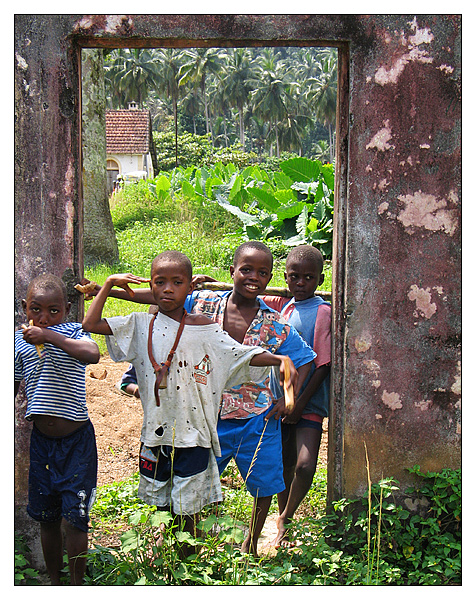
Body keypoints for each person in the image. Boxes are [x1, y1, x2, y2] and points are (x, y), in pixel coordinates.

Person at [81, 250, 298, 549]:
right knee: (162, 499)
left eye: (177, 283)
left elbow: (243, 355)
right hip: (157, 434)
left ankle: (188, 554)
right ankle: (170, 550)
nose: (168, 289)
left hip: (197, 433)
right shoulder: (141, 325)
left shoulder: (206, 329)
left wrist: (279, 360)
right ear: (151, 284)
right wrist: (107, 286)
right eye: (160, 282)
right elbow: (90, 325)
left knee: (191, 506)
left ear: (189, 287)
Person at [185, 241, 317, 556]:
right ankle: (190, 542)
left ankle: (251, 542)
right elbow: (164, 304)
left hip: (256, 422)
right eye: (246, 269)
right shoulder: (204, 304)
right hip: (206, 419)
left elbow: (304, 360)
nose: (253, 277)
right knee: (194, 483)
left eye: (262, 272)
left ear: (270, 278)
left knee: (264, 484)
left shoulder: (273, 324)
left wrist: (287, 399)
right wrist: (188, 287)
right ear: (232, 271)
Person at [14, 274, 100, 585]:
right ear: (25, 308)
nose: (44, 318)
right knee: (46, 518)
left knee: (76, 520)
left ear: (66, 309)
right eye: (36, 310)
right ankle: (54, 581)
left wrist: (48, 336)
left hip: (76, 443)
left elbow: (93, 354)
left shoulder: (75, 332)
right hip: (42, 444)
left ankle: (75, 585)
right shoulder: (17, 342)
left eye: (54, 311)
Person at [261, 245, 331, 548]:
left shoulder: (323, 311)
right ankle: (282, 522)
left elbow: (323, 364)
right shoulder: (284, 307)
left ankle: (286, 516)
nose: (300, 283)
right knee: (284, 462)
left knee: (304, 464)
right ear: (285, 278)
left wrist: (299, 403)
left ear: (320, 279)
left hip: (308, 403)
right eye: (294, 277)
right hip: (281, 400)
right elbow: (244, 294)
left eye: (308, 277)